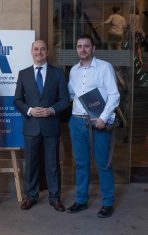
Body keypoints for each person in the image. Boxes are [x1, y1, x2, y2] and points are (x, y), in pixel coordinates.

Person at [67, 34, 120, 218]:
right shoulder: (73, 70)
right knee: (81, 163)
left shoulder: (105, 67)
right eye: (79, 46)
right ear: (76, 49)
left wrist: (103, 118)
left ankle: (107, 202)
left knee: (103, 164)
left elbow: (114, 95)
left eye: (86, 46)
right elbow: (72, 94)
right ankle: (81, 200)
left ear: (93, 48)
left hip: (97, 123)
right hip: (76, 122)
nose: (82, 49)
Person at [14, 40, 70, 212]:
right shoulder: (23, 74)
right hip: (31, 126)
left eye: (43, 49)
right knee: (30, 163)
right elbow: (17, 100)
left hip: (51, 126)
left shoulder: (58, 73)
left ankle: (55, 197)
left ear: (47, 52)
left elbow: (65, 100)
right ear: (31, 52)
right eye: (36, 49)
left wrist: (51, 110)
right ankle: (31, 196)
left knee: (53, 163)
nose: (39, 52)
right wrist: (30, 110)